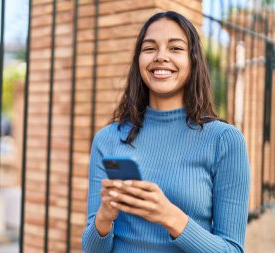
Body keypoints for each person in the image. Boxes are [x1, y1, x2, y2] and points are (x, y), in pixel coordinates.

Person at [81, 11, 250, 253]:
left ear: (193, 60)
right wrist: (104, 217)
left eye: (175, 48)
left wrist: (169, 216)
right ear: (139, 60)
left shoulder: (224, 141)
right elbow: (91, 250)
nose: (161, 57)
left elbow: (232, 250)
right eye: (149, 48)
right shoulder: (107, 139)